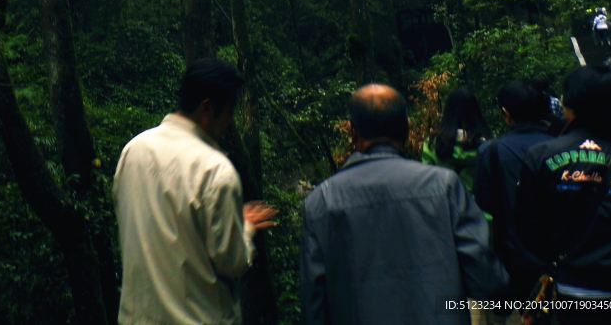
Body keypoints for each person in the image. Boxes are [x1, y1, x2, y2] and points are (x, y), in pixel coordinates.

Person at [300, 84, 507, 325]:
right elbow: (485, 276)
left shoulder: (321, 201)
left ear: (352, 132)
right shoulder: (444, 187)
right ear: (407, 130)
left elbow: (313, 300)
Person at [113, 58, 277, 325]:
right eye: (230, 111)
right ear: (207, 108)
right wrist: (244, 228)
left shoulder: (133, 150)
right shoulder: (214, 170)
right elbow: (232, 261)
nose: (232, 121)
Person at [515, 66, 611, 324]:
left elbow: (528, 226)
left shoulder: (541, 157)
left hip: (572, 293)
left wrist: (561, 258)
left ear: (570, 106)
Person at [473, 82, 554, 325]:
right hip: (559, 258)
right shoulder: (562, 146)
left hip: (512, 256)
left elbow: (484, 200)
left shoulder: (492, 150)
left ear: (507, 114)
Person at [421, 87, 492, 193]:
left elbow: (427, 182)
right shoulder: (488, 145)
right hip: (478, 207)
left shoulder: (432, 143)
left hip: (445, 205)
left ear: (448, 112)